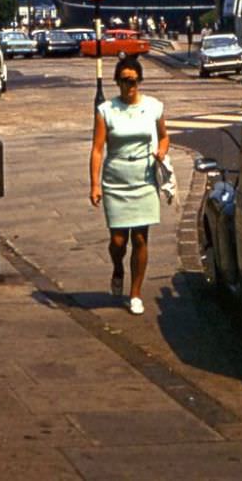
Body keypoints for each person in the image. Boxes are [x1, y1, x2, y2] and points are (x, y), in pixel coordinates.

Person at [89, 56, 169, 316]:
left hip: (144, 179)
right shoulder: (106, 110)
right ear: (117, 82)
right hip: (116, 179)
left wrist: (160, 151)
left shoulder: (154, 107)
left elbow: (165, 137)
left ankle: (135, 293)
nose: (129, 86)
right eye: (124, 81)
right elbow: (98, 149)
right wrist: (94, 185)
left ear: (140, 81)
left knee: (140, 238)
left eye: (133, 80)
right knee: (118, 240)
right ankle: (117, 267)